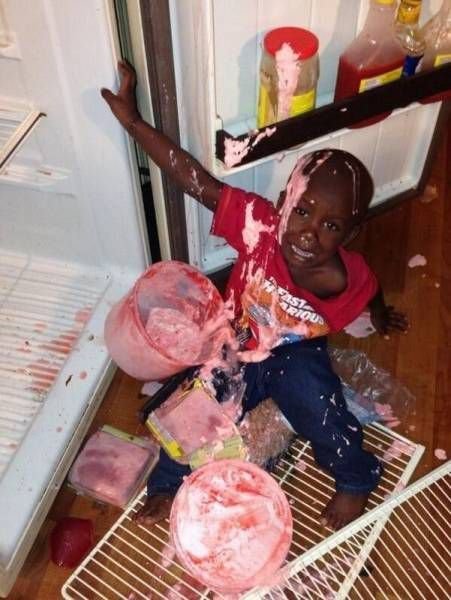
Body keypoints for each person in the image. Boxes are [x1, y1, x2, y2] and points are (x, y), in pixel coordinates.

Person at [101, 61, 408, 530]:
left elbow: (372, 291)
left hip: (296, 354)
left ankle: (355, 477)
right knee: (191, 407)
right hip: (236, 338)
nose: (309, 233)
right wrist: (133, 122)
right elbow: (193, 179)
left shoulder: (346, 278)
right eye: (302, 211)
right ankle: (166, 484)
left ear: (350, 233)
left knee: (321, 409)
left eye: (330, 225)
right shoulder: (258, 226)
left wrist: (381, 316)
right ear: (283, 203)